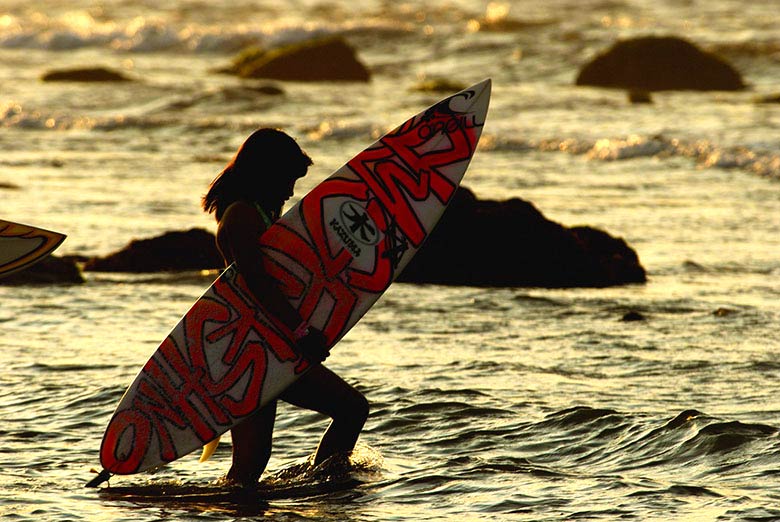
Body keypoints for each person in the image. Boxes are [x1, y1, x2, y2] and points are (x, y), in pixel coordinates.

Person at [202, 127, 369, 486]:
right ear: (267, 172)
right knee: (351, 409)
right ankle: (326, 489)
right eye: (288, 179)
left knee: (250, 468)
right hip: (254, 350)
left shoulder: (258, 214)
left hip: (264, 346)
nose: (292, 191)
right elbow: (256, 284)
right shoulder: (243, 216)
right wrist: (301, 331)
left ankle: (317, 485)